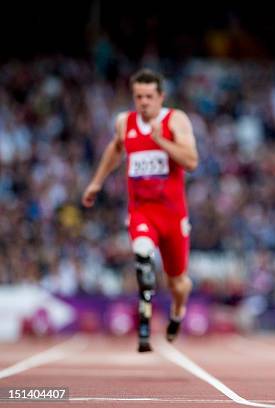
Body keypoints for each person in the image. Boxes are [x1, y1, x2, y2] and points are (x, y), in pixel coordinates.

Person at [82, 69, 199, 352]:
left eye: (149, 97)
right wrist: (96, 183)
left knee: (178, 282)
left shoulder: (176, 120)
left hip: (173, 216)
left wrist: (161, 141)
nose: (143, 102)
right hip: (142, 212)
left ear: (161, 97)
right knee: (142, 255)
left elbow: (191, 161)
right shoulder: (125, 122)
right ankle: (144, 323)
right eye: (138, 97)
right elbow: (115, 149)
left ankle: (177, 311)